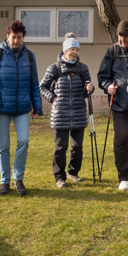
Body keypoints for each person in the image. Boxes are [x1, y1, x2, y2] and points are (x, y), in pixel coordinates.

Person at [0, 20, 43, 196]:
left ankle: (18, 179)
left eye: (19, 37)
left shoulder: (30, 57)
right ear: (7, 36)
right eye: (13, 37)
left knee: (23, 141)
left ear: (23, 38)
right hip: (1, 107)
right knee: (4, 145)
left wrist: (37, 107)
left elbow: (34, 84)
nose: (16, 40)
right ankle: (4, 181)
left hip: (23, 107)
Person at [40, 33, 95, 188]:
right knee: (61, 147)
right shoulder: (54, 68)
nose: (74, 52)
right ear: (65, 50)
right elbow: (42, 86)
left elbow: (86, 91)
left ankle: (73, 172)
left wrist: (90, 88)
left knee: (77, 146)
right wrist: (52, 98)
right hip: (60, 114)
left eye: (77, 49)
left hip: (78, 113)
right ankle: (59, 177)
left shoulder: (82, 68)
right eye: (72, 49)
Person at [97, 20, 128, 191]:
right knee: (121, 139)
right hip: (119, 104)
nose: (122, 39)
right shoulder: (112, 51)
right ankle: (124, 176)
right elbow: (102, 77)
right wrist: (107, 86)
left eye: (126, 36)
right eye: (120, 35)